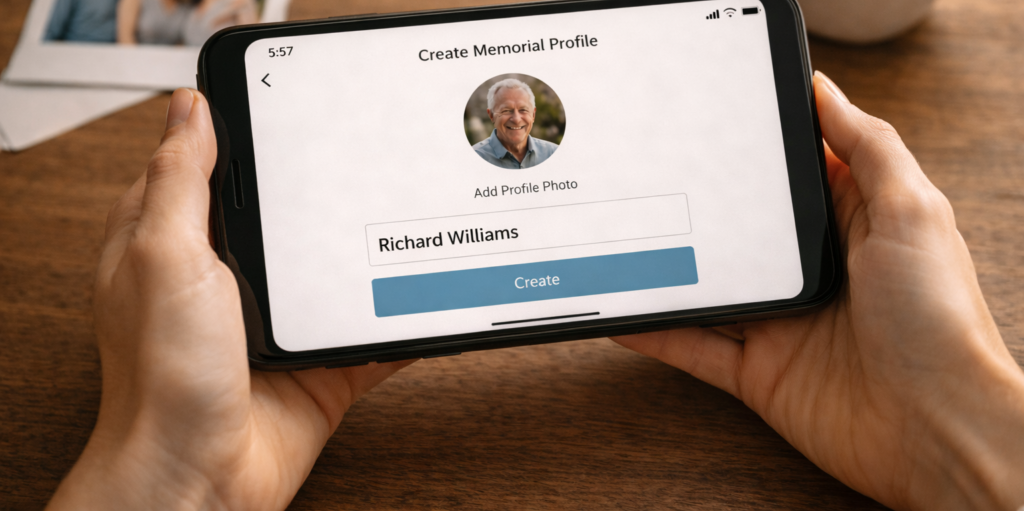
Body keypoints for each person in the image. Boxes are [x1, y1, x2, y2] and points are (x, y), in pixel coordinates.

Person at [44, 74, 1024, 511]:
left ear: (536, 115)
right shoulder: (480, 154)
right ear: (490, 118)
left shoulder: (548, 150)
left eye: (523, 105)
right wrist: (182, 478)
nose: (513, 116)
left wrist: (952, 420)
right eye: (502, 107)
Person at [472, 78, 559, 169]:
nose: (516, 119)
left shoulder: (554, 154)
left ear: (533, 114)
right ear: (491, 115)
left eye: (523, 110)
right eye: (506, 111)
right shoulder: (473, 159)